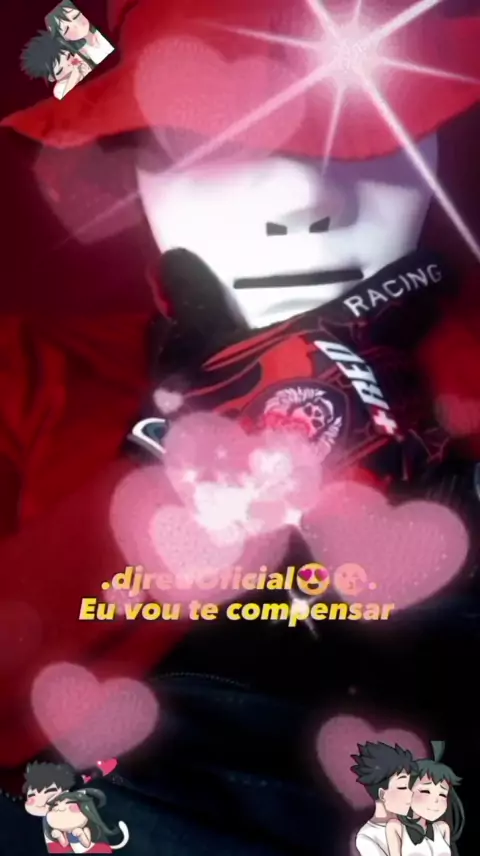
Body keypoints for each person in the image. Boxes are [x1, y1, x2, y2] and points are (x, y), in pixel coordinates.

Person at [0, 1, 479, 854]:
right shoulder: (30, 377)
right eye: (213, 143)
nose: (304, 197)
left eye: (371, 131)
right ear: (135, 165)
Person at [386, 742, 464, 856]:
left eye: (442, 795)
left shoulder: (442, 828)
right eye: (425, 791)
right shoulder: (396, 827)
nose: (436, 800)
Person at [351, 742, 418, 856]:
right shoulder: (367, 837)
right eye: (402, 787)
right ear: (382, 794)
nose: (411, 794)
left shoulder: (415, 824)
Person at [20, 30, 91, 99]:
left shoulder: (80, 58)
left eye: (69, 57)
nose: (70, 64)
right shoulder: (59, 90)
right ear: (51, 78)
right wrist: (76, 74)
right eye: (61, 70)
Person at [45, 2, 114, 67]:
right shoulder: (80, 52)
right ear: (65, 38)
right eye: (67, 29)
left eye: (76, 16)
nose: (76, 26)